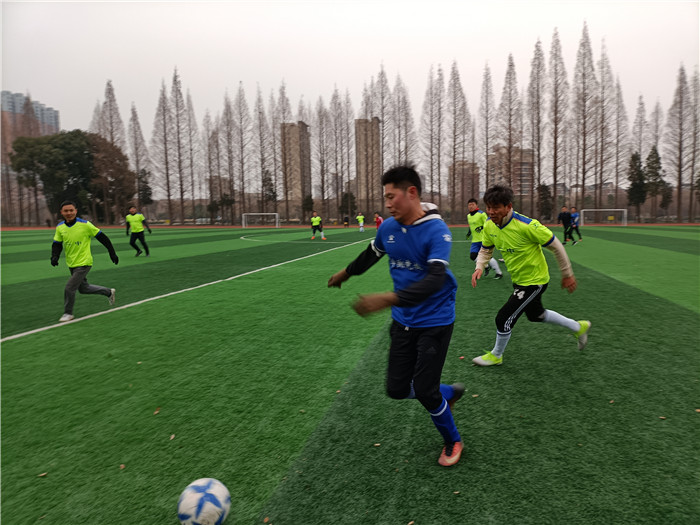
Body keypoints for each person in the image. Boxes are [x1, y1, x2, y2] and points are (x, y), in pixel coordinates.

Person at [328, 165, 465, 467]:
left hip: (436, 321)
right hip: (404, 320)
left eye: (392, 196)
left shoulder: (437, 231)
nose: (387, 204)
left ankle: (453, 439)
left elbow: (435, 280)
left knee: (425, 390)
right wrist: (345, 274)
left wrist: (387, 299)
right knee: (397, 389)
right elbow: (371, 254)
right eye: (386, 197)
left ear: (411, 192)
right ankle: (448, 394)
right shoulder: (388, 228)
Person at [470, 185, 591, 366]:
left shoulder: (527, 225)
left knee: (503, 318)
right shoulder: (489, 225)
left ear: (508, 206)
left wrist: (567, 274)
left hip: (535, 281)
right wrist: (479, 266)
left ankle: (496, 355)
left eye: (496, 207)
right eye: (488, 207)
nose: (491, 212)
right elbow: (486, 249)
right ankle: (578, 327)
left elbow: (556, 245)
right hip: (519, 280)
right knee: (536, 315)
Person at [51, 201, 119, 322]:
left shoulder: (85, 225)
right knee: (83, 288)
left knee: (69, 288)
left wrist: (112, 252)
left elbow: (103, 238)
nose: (69, 213)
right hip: (71, 263)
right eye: (66, 211)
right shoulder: (60, 227)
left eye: (71, 210)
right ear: (61, 212)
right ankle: (108, 292)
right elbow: (57, 244)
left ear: (76, 211)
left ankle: (68, 313)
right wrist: (54, 256)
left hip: (84, 262)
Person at [466, 198, 502, 279]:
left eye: (472, 204)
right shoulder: (468, 216)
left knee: (488, 257)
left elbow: (489, 223)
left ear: (476, 205)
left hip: (484, 239)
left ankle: (499, 273)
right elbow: (472, 226)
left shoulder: (481, 214)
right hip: (475, 240)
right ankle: (486, 266)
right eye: (469, 205)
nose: (471, 206)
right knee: (473, 256)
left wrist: (481, 227)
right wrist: (469, 232)